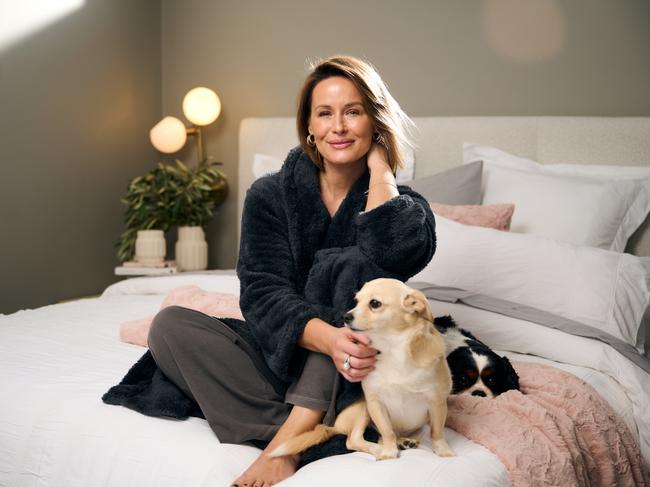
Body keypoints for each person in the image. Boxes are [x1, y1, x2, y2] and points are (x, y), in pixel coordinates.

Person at [146, 55, 436, 487]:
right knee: (168, 326)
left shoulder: (406, 209)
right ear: (309, 127)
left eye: (353, 112)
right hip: (284, 355)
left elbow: (389, 258)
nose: (338, 126)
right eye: (325, 113)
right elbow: (261, 293)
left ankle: (288, 442)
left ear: (374, 123)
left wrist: (381, 171)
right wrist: (329, 338)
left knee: (347, 269)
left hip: (361, 368)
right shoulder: (270, 194)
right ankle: (320, 429)